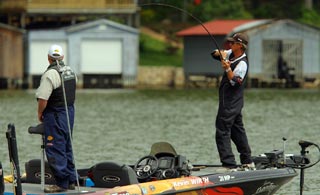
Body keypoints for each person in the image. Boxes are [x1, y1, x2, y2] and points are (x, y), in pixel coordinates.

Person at [35, 44, 77, 193]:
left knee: (54, 147)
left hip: (56, 114)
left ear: (48, 58)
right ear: (62, 57)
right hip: (69, 111)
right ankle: (71, 179)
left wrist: (40, 113)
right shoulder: (70, 71)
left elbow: (43, 99)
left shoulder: (49, 75)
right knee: (67, 144)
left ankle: (61, 184)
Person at [211, 33, 254, 170]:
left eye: (233, 43)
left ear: (240, 46)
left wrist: (228, 68)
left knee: (222, 130)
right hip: (231, 103)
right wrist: (220, 54)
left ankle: (229, 164)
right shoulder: (231, 53)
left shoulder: (242, 63)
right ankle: (247, 161)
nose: (230, 45)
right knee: (237, 131)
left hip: (230, 103)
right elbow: (214, 54)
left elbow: (236, 82)